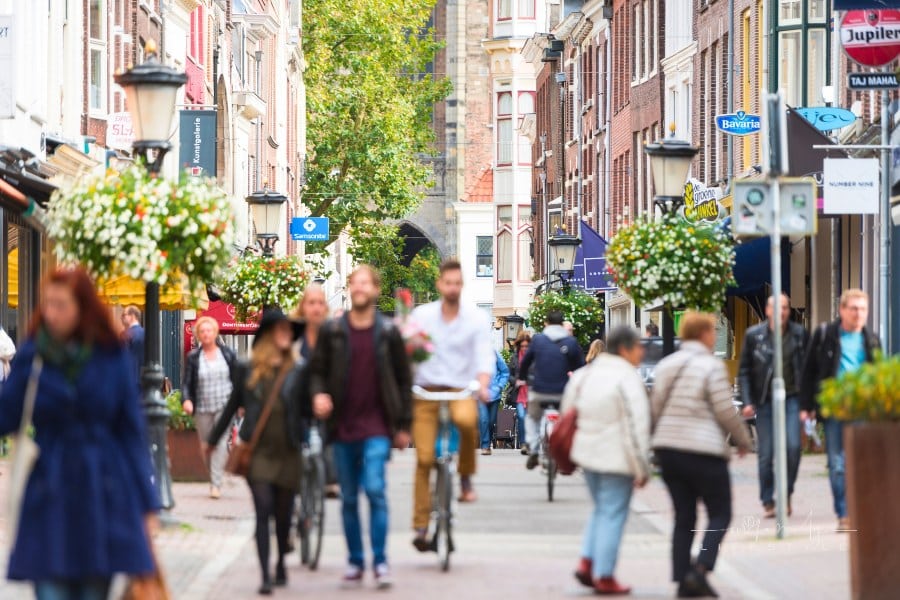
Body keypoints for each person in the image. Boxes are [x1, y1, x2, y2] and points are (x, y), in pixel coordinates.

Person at [0, 267, 159, 600]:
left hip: (102, 489)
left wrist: (148, 506)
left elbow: (131, 434)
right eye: (48, 304)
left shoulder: (111, 355)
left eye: (61, 305)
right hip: (49, 488)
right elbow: (6, 413)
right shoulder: (34, 353)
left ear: (82, 307)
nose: (51, 313)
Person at [309, 266, 413, 589]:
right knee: (349, 497)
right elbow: (317, 371)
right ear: (350, 288)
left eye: (366, 283)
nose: (360, 288)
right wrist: (318, 394)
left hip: (378, 426)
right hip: (342, 426)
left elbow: (403, 378)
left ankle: (380, 561)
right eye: (355, 282)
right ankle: (356, 561)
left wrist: (404, 424)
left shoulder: (389, 333)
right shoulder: (333, 331)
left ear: (376, 289)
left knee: (375, 489)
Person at [651, 312, 753, 598]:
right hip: (703, 451)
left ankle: (683, 580)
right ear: (705, 334)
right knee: (720, 512)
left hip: (669, 451)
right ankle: (701, 568)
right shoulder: (711, 366)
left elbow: (655, 407)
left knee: (684, 516)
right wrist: (743, 440)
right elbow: (724, 409)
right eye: (712, 331)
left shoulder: (666, 365)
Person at [207, 306, 307, 595]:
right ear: (267, 335)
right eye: (281, 329)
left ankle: (280, 563)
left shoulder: (298, 370)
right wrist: (213, 439)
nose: (286, 334)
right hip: (258, 451)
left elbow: (308, 407)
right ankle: (265, 574)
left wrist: (321, 409)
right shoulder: (246, 369)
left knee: (283, 515)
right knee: (263, 510)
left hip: (288, 450)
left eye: (289, 330)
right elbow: (231, 406)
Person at [409, 259, 494, 550]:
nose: (453, 288)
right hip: (426, 391)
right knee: (424, 459)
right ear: (439, 285)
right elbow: (408, 351)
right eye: (448, 283)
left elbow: (484, 356)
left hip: (460, 389)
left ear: (462, 285)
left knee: (468, 421)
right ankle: (421, 525)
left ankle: (466, 477)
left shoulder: (475, 319)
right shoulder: (422, 316)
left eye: (457, 283)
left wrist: (483, 384)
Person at [564, 326, 650, 595]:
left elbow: (568, 412)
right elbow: (637, 426)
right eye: (638, 346)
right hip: (617, 458)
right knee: (613, 513)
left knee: (601, 509)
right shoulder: (628, 379)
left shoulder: (584, 375)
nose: (642, 352)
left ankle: (587, 561)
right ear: (625, 349)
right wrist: (642, 467)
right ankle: (605, 574)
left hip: (587, 455)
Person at [799, 288, 880, 532]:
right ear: (842, 310)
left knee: (861, 462)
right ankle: (844, 514)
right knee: (837, 463)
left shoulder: (871, 339)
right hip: (834, 408)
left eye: (863, 309)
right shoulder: (826, 335)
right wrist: (806, 406)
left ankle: (858, 509)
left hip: (862, 409)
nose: (858, 314)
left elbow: (877, 374)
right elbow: (809, 371)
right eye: (853, 308)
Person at [737, 293, 809, 519]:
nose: (781, 312)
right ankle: (768, 499)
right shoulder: (754, 335)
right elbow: (744, 371)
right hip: (765, 400)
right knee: (766, 453)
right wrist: (747, 401)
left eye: (785, 307)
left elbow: (808, 370)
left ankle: (786, 494)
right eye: (777, 307)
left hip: (792, 398)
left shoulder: (799, 334)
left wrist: (808, 404)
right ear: (768, 311)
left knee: (793, 447)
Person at [517, 309, 585, 470]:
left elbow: (525, 362)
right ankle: (565, 449)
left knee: (532, 417)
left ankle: (534, 448)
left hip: (539, 390)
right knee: (568, 418)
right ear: (562, 324)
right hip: (562, 392)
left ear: (546, 323)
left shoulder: (538, 340)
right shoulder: (571, 342)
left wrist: (522, 377)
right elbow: (581, 368)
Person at [181, 316, 238, 499]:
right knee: (206, 446)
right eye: (202, 331)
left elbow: (237, 380)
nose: (206, 334)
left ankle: (216, 483)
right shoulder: (193, 357)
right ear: (198, 334)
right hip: (203, 407)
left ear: (215, 333)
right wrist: (186, 400)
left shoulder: (228, 354)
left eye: (209, 330)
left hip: (224, 405)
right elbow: (187, 383)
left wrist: (240, 403)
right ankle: (215, 475)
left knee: (220, 441)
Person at [292, 283, 340, 499]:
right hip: (298, 400)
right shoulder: (294, 336)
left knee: (330, 436)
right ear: (303, 306)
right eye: (311, 303)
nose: (316, 308)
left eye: (320, 303)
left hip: (327, 400)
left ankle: (331, 477)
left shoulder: (334, 335)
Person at [479, 349, 510, 455]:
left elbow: (505, 371)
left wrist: (499, 386)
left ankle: (487, 442)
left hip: (494, 395)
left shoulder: (494, 354)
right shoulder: (474, 353)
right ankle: (485, 446)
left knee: (491, 422)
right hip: (480, 394)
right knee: (484, 420)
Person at [506, 331, 531, 453]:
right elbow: (508, 374)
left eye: (527, 346)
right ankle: (523, 443)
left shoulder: (533, 358)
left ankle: (530, 441)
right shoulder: (514, 358)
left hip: (531, 392)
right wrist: (516, 381)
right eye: (522, 346)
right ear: (519, 345)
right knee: (521, 416)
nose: (525, 348)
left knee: (530, 418)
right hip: (519, 393)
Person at [121, 304, 145, 381]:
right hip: (144, 378)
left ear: (132, 316)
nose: (121, 318)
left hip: (129, 378)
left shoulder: (126, 335)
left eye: (124, 315)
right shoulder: (146, 333)